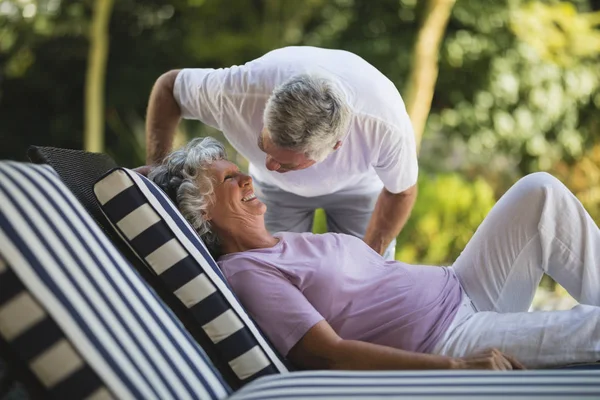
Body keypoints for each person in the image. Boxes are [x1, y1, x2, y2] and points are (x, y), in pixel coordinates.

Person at [149, 137, 600, 370]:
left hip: (462, 286)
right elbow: (329, 354)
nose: (248, 179)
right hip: (446, 338)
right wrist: (455, 366)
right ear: (199, 210)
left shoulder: (282, 243)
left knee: (538, 192)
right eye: (230, 179)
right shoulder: (249, 272)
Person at [143, 46, 419, 260]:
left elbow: (402, 192)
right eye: (265, 146)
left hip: (358, 189)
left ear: (336, 146)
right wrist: (158, 174)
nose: (271, 164)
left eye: (286, 164)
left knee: (366, 282)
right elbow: (168, 88)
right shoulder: (237, 92)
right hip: (273, 193)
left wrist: (369, 260)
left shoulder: (384, 125)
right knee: (268, 272)